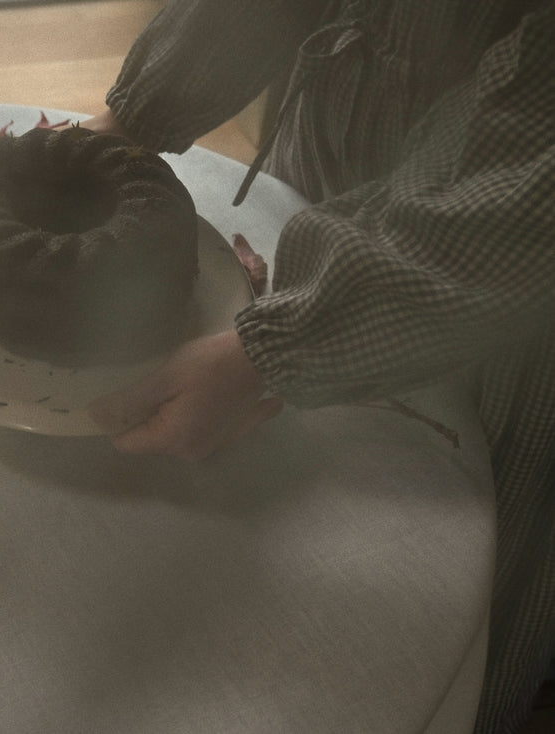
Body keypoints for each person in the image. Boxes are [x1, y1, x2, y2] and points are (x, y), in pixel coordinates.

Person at [81, 1, 555, 733]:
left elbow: (532, 171)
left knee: (459, 591)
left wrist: (297, 334)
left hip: (515, 295)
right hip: (334, 147)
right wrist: (142, 113)